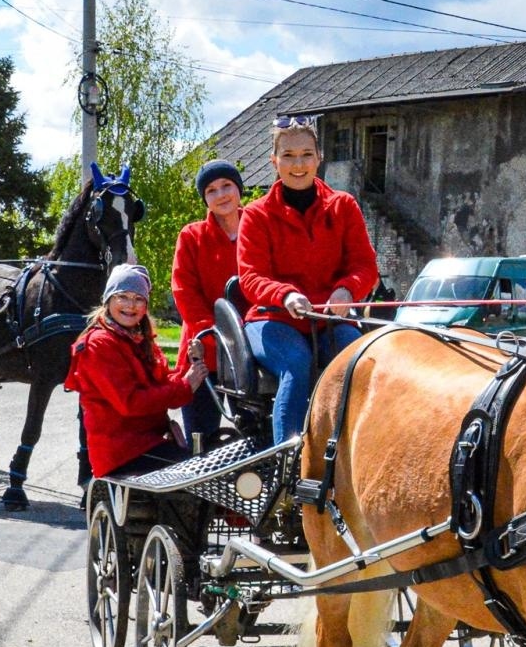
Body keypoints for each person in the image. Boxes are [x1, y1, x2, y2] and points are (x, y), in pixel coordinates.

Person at [236, 115, 379, 444]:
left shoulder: (344, 206)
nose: (297, 164)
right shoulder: (256, 215)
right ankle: (287, 463)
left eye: (305, 155)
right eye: (288, 156)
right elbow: (251, 277)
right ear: (274, 161)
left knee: (363, 360)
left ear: (319, 158)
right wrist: (285, 295)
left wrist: (347, 290)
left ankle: (354, 453)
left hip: (328, 319)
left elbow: (365, 266)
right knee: (296, 362)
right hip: (272, 318)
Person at [64, 265, 209, 479]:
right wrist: (185, 386)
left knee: (216, 464)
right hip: (123, 453)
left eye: (138, 299)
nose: (131, 306)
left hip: (147, 443)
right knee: (204, 474)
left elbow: (162, 382)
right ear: (108, 300)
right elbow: (130, 402)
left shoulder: (138, 339)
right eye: (122, 297)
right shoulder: (99, 344)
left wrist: (191, 366)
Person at [171, 158, 245, 443]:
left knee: (254, 435)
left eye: (226, 185)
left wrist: (247, 336)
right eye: (211, 190)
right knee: (201, 440)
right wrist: (216, 334)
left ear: (238, 189)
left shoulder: (258, 229)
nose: (221, 194)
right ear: (205, 198)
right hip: (204, 350)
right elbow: (183, 291)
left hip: (248, 353)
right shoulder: (192, 236)